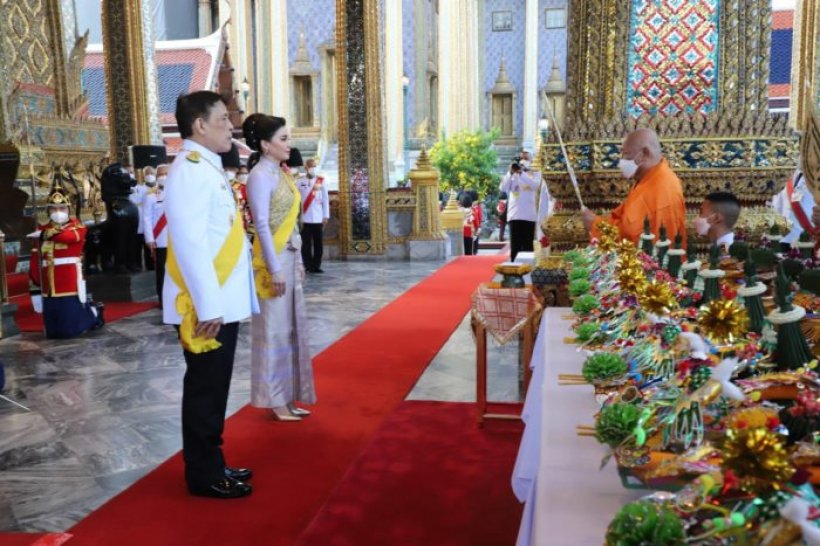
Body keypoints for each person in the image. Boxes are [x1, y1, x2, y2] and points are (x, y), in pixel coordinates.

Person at [163, 90, 257, 499]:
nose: (230, 126)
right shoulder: (190, 169)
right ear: (199, 125)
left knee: (215, 386)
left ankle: (212, 461)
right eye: (222, 119)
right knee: (205, 387)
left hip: (220, 299)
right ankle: (203, 474)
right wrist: (208, 305)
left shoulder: (208, 168)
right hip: (206, 305)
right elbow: (189, 243)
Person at [243, 113, 316, 422]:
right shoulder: (259, 175)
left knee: (291, 328)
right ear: (264, 144)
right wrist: (274, 270)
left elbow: (292, 225)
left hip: (288, 255)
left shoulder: (281, 173)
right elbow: (260, 223)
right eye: (284, 139)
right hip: (270, 261)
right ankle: (274, 399)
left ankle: (289, 396)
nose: (290, 144)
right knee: (273, 331)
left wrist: (297, 262)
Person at [582, 128, 687, 246]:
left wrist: (595, 224)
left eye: (627, 154)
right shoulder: (646, 180)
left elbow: (632, 235)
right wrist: (598, 222)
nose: (622, 160)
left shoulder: (662, 185)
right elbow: (622, 218)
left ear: (645, 153)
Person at [29, 182, 103, 338]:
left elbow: (68, 237)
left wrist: (45, 235)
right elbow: (36, 255)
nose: (58, 212)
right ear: (48, 211)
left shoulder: (77, 227)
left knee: (69, 330)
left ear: (68, 210)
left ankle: (95, 315)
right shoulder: (42, 230)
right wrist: (34, 279)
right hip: (48, 281)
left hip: (68, 279)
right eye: (54, 209)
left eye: (61, 208)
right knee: (53, 331)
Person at [500, 162, 539, 261]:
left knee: (527, 246)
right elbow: (503, 188)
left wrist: (522, 173)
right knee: (515, 246)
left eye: (523, 165)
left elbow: (535, 185)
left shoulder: (535, 174)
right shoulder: (512, 176)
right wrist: (510, 173)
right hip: (514, 215)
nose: (519, 167)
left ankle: (528, 269)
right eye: (519, 165)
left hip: (528, 216)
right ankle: (514, 270)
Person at [298, 157, 330, 273]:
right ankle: (308, 265)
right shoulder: (299, 181)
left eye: (314, 166)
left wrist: (325, 216)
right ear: (306, 167)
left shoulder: (321, 181)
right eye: (310, 166)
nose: (313, 168)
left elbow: (325, 199)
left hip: (318, 217)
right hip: (305, 218)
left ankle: (316, 265)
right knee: (305, 243)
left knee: (318, 243)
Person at [771, 167, 815, 251]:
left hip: (806, 238)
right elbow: (779, 206)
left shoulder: (814, 178)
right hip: (786, 236)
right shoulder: (796, 175)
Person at [143, 164, 169, 306]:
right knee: (162, 273)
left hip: (177, 240)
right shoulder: (151, 195)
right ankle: (163, 301)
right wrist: (150, 239)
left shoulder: (179, 192)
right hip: (161, 240)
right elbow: (147, 218)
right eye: (160, 174)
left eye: (165, 174)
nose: (162, 177)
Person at [468, 189, 482, 254]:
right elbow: (479, 216)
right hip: (476, 225)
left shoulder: (471, 205)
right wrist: (479, 225)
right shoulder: (477, 206)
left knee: (472, 239)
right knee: (476, 239)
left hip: (472, 225)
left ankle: (473, 250)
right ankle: (475, 250)